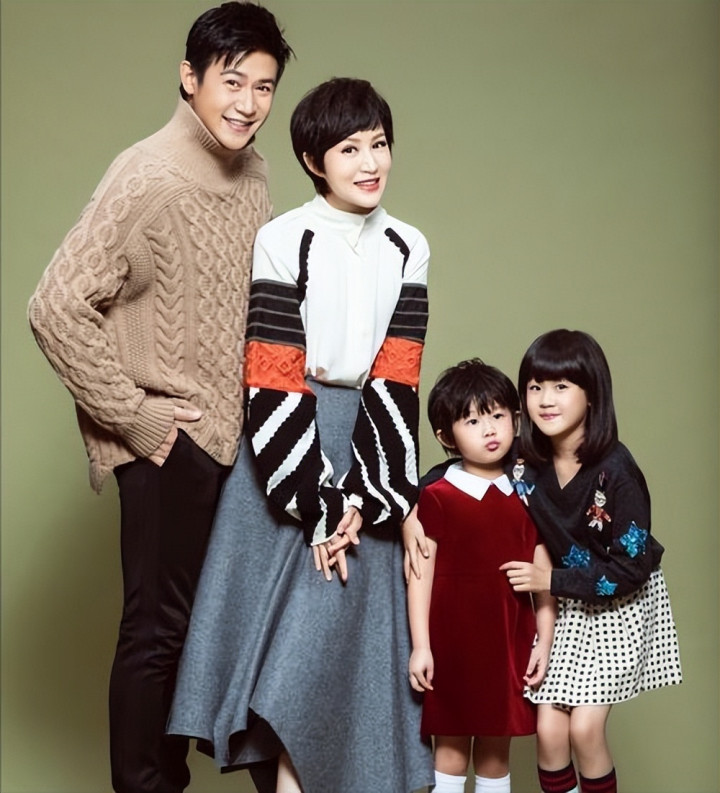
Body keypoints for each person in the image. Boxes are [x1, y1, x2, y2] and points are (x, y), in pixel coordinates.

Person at [27, 4, 293, 792]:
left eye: (264, 86)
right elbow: (55, 305)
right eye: (232, 81)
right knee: (157, 633)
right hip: (169, 440)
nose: (248, 102)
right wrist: (133, 415)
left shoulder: (254, 172)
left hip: (238, 443)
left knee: (218, 632)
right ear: (189, 77)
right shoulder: (144, 173)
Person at [167, 77, 435, 793]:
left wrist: (370, 498)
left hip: (369, 457)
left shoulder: (409, 246)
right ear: (314, 161)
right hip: (286, 453)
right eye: (349, 149)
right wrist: (319, 503)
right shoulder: (284, 238)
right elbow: (273, 373)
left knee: (336, 662)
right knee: (285, 663)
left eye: (379, 144)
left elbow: (398, 378)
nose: (370, 162)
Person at [499, 329, 682, 793]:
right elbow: (465, 466)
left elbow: (629, 570)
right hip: (565, 599)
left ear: (592, 393)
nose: (545, 399)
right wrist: (413, 512)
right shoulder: (523, 460)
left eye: (561, 386)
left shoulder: (617, 471)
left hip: (620, 602)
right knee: (549, 731)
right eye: (535, 387)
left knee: (584, 729)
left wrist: (550, 580)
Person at [407, 359, 556, 793]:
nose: (489, 429)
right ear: (446, 437)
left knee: (495, 755)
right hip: (451, 647)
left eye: (497, 416)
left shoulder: (529, 495)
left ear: (515, 418)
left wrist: (544, 640)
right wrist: (421, 646)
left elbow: (545, 576)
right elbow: (420, 575)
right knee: (450, 752)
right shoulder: (436, 497)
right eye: (472, 421)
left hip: (508, 644)